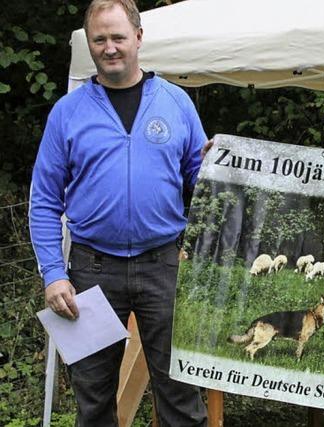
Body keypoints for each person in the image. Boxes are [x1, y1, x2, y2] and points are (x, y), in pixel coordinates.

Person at [29, 1, 211, 425]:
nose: (109, 48)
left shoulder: (176, 102)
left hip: (164, 266)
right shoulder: (67, 112)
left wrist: (217, 167)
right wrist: (54, 274)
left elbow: (200, 181)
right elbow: (43, 200)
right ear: (90, 44)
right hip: (90, 273)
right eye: (99, 39)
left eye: (118, 37)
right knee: (93, 401)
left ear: (139, 38)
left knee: (181, 397)